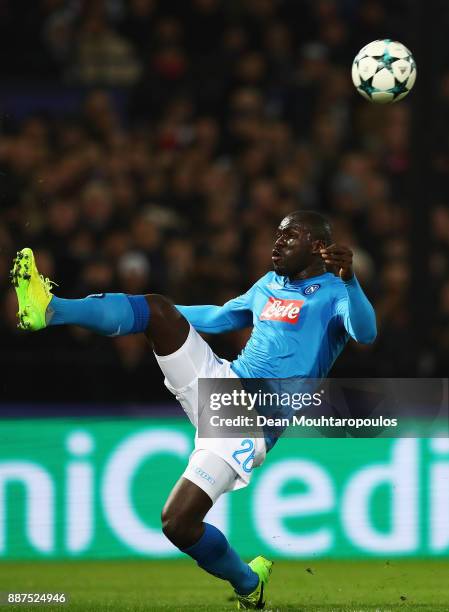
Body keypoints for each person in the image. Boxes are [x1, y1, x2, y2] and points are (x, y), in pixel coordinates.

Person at [11, 210, 376, 609]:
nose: (277, 243)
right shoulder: (270, 284)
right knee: (155, 309)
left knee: (177, 523)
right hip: (222, 382)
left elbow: (366, 332)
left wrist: (351, 281)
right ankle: (51, 309)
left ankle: (248, 582)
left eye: (290, 238)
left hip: (249, 419)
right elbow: (221, 318)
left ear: (317, 247)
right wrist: (154, 313)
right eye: (277, 235)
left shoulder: (336, 292)